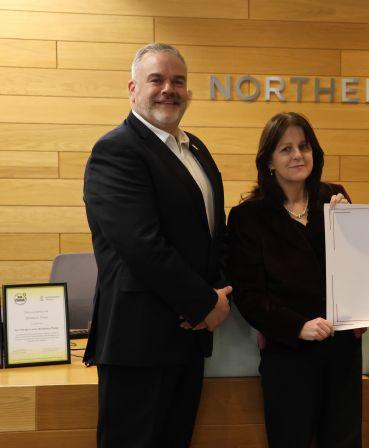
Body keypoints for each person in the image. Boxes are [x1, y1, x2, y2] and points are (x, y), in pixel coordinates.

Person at [82, 43, 231, 447]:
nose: (169, 89)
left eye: (178, 81)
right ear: (133, 89)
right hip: (138, 341)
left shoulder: (194, 149)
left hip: (188, 338)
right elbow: (141, 245)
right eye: (157, 80)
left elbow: (211, 233)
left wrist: (218, 292)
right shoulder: (115, 151)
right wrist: (203, 303)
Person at [227, 112, 363, 447]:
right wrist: (297, 326)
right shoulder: (248, 216)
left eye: (304, 146)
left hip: (341, 350)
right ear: (269, 161)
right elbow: (249, 295)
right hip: (288, 354)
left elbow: (359, 270)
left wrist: (347, 225)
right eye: (285, 149)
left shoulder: (335, 199)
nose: (297, 155)